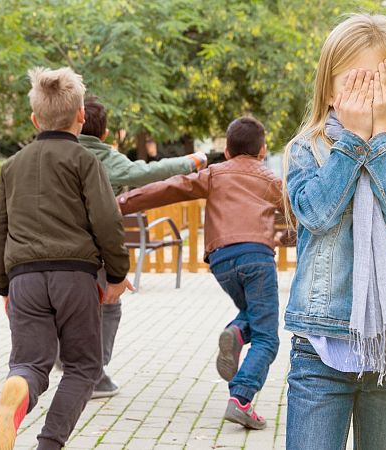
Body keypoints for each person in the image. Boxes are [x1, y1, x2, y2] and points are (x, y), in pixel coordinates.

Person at [282, 14, 386, 450]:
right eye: (354, 84)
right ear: (328, 87)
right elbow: (318, 214)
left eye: (376, 84)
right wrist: (354, 138)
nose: (365, 97)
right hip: (320, 350)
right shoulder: (308, 148)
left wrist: (382, 134)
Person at [0, 67, 133, 450]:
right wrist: (117, 274)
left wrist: (5, 285)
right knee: (83, 366)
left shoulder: (12, 166)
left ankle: (18, 388)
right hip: (75, 277)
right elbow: (106, 221)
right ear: (81, 116)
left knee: (31, 364)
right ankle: (49, 444)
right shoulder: (85, 161)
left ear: (35, 119)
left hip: (25, 279)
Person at [118, 116, 282, 430]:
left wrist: (120, 203)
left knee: (251, 314)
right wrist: (283, 238)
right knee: (266, 336)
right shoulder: (272, 180)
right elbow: (298, 216)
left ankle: (236, 331)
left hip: (222, 261)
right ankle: (242, 398)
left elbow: (169, 188)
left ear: (228, 151)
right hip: (257, 259)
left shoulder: (215, 174)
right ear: (262, 150)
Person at [77, 96, 207, 398]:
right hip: (93, 251)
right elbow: (147, 171)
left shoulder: (52, 153)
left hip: (49, 249)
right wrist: (190, 162)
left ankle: (66, 358)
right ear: (105, 133)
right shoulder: (103, 159)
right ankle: (93, 373)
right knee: (109, 306)